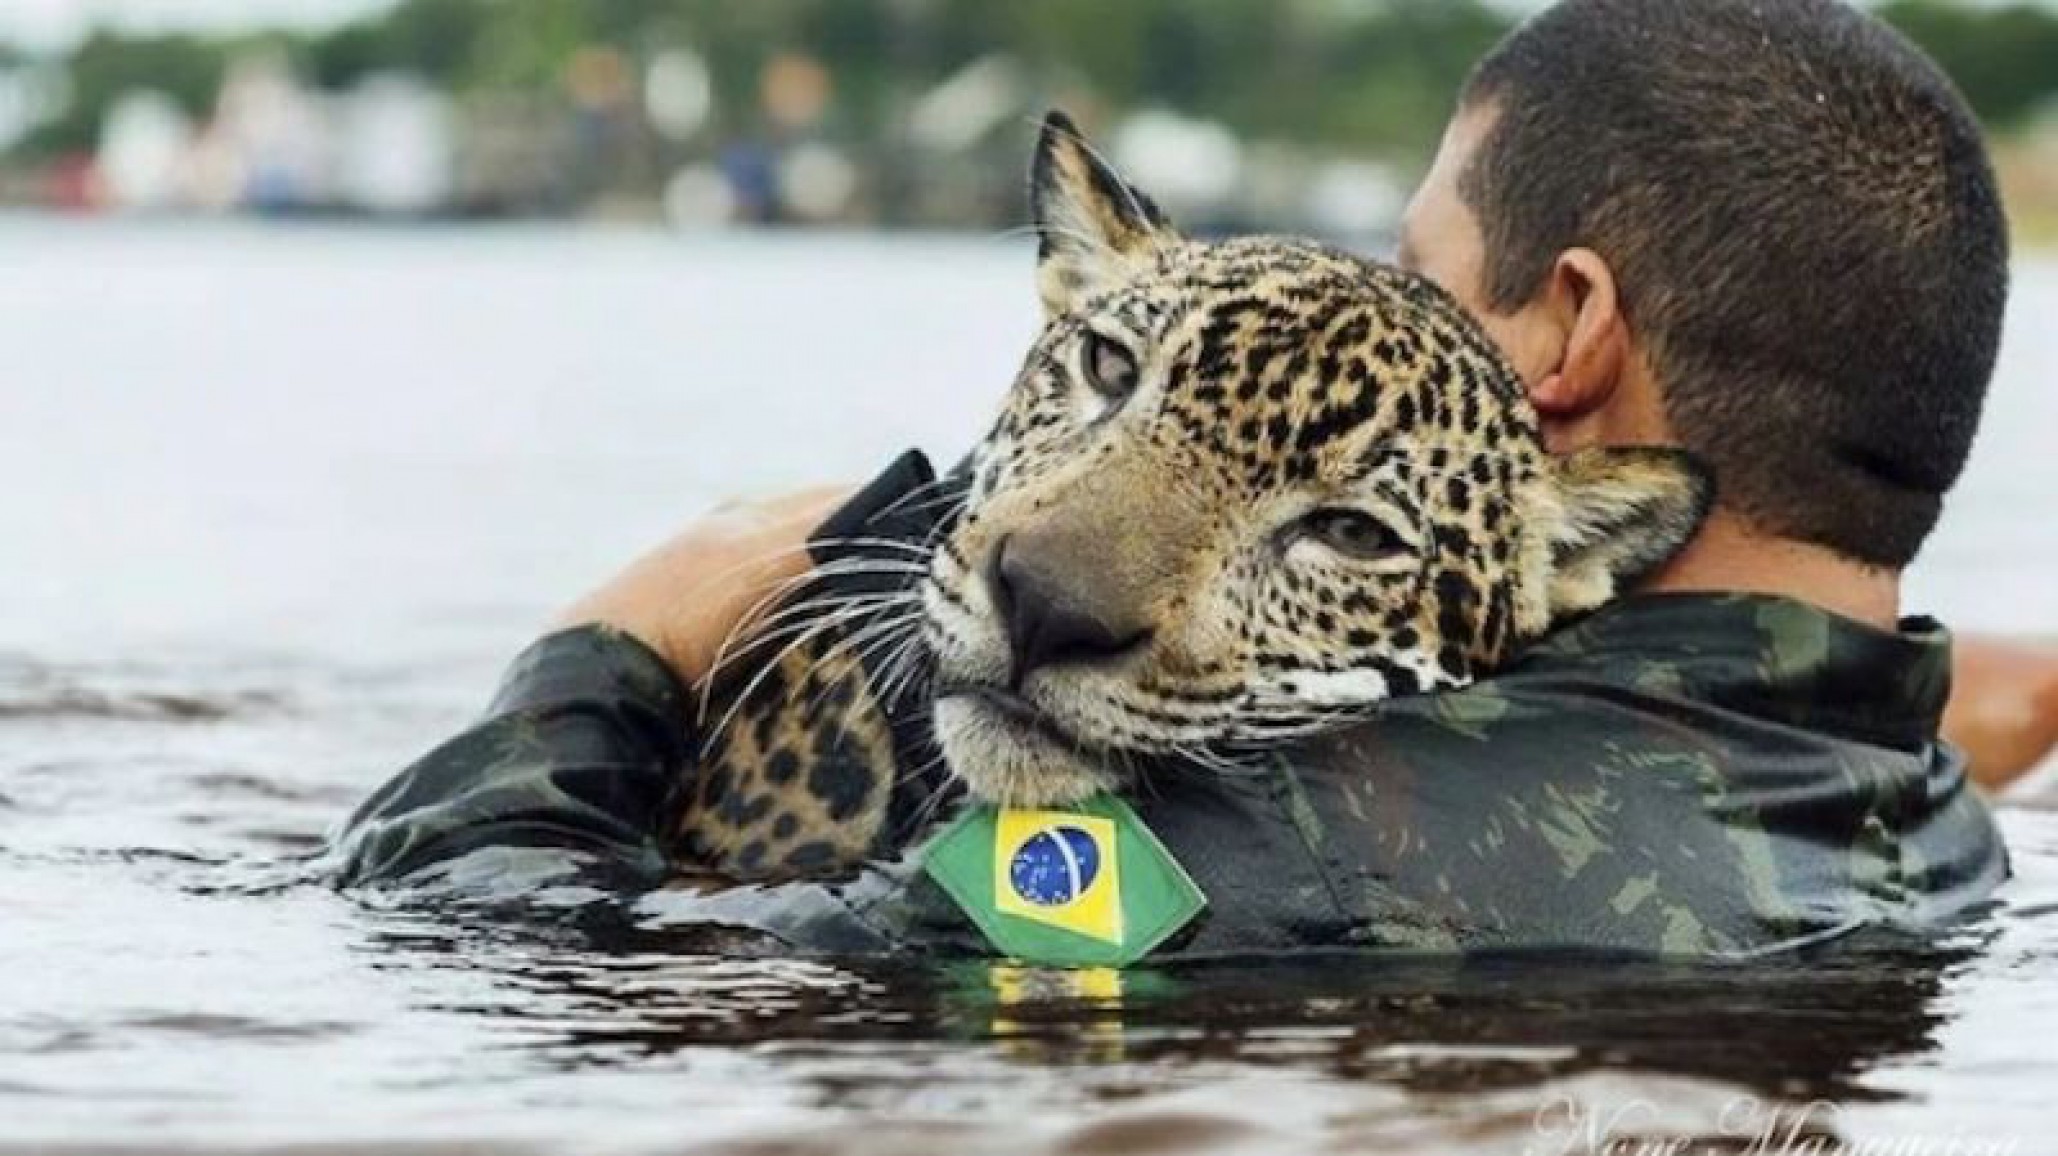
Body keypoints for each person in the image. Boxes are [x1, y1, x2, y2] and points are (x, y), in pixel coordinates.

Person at [333, 0, 2041, 956]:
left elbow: (487, 957)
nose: (1356, 312)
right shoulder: (1919, 817)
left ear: (1563, 338)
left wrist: (630, 631)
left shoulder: (1274, 860)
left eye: (1411, 266)